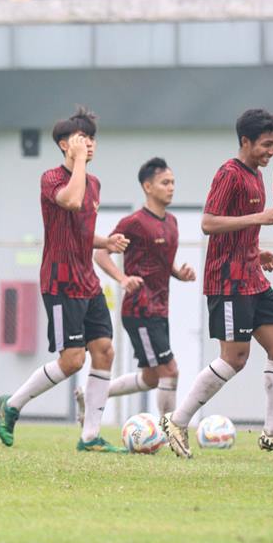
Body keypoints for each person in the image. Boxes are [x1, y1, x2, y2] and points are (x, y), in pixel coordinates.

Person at [0, 107, 128, 452]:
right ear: (63, 145)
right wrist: (80, 162)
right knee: (72, 360)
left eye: (92, 139)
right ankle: (12, 406)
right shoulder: (52, 178)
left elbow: (81, 230)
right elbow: (69, 201)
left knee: (104, 350)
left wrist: (105, 242)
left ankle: (91, 437)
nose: (90, 144)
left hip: (88, 279)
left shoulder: (94, 183)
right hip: (61, 282)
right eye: (82, 139)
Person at [161, 109, 273, 458]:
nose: (271, 151)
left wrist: (256, 251)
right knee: (235, 358)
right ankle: (178, 420)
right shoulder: (228, 173)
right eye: (266, 144)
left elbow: (238, 230)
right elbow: (209, 223)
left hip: (253, 278)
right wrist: (258, 218)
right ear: (245, 141)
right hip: (227, 281)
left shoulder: (256, 175)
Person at [81, 158, 195, 418]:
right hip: (140, 309)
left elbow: (164, 263)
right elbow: (101, 254)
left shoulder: (172, 222)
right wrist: (123, 279)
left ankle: (90, 395)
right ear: (147, 186)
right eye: (165, 183)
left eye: (173, 182)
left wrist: (180, 273)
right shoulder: (134, 222)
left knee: (152, 377)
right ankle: (170, 429)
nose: (171, 187)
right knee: (170, 370)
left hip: (160, 309)